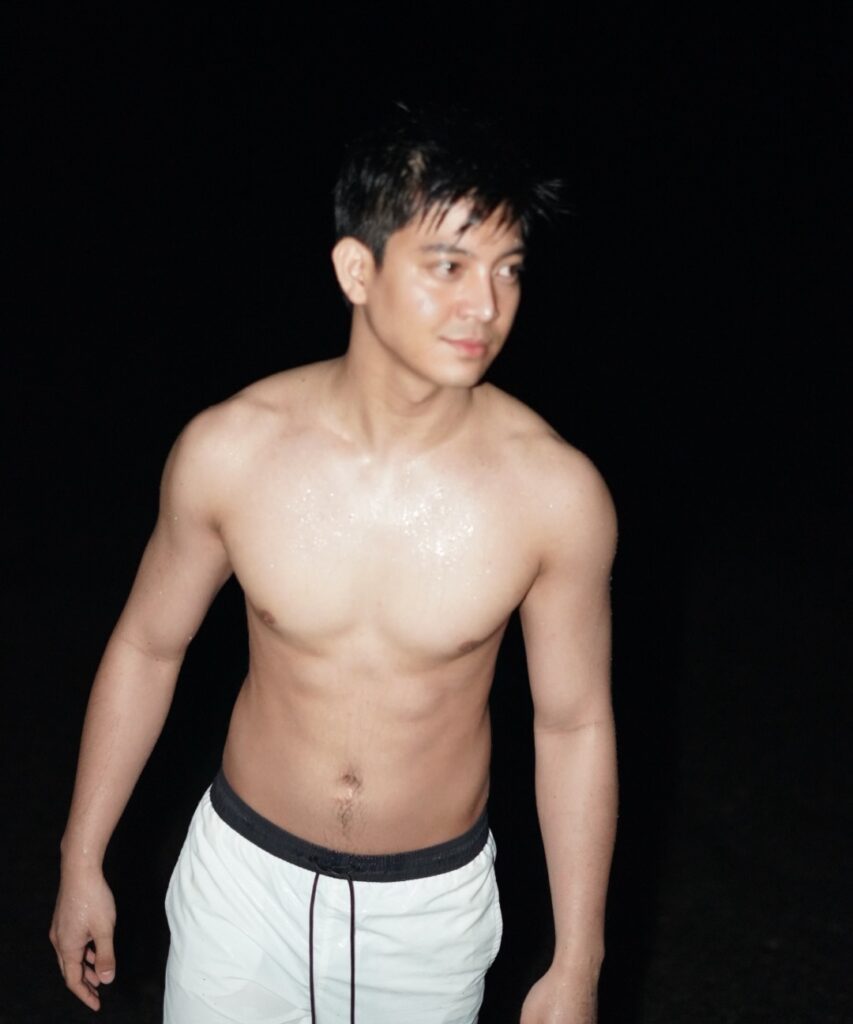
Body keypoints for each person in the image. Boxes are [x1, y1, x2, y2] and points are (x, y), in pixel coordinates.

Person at [50, 106, 618, 1023]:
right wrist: (82, 857)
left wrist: (577, 957)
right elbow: (147, 648)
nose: (485, 305)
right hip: (240, 887)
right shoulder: (232, 451)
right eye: (448, 267)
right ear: (358, 269)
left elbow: (573, 723)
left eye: (508, 269)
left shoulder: (553, 496)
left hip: (428, 912)